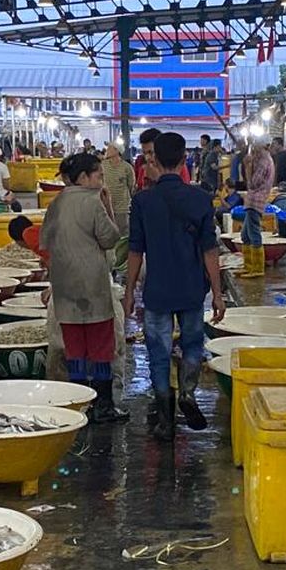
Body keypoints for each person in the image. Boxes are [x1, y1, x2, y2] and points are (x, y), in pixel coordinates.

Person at [126, 132, 225, 441]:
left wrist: (129, 292)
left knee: (158, 352)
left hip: (157, 292)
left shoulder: (142, 201)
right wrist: (218, 295)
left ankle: (165, 417)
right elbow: (210, 250)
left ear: (153, 159)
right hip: (191, 290)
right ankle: (188, 393)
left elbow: (135, 251)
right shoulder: (200, 199)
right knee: (193, 345)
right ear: (185, 160)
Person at [41, 153, 128, 423]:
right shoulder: (93, 203)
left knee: (75, 347)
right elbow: (110, 238)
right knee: (101, 347)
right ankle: (103, 405)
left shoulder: (55, 204)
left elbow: (47, 245)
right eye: (98, 176)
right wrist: (109, 207)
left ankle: (79, 405)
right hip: (93, 288)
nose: (101, 181)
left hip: (65, 288)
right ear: (83, 178)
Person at [239, 141, 275, 278]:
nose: (252, 147)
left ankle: (257, 269)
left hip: (256, 201)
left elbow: (253, 183)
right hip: (253, 200)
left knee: (253, 234)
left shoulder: (264, 161)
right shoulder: (261, 159)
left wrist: (248, 167)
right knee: (245, 236)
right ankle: (248, 266)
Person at [101, 142, 135, 238]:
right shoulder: (102, 166)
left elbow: (131, 186)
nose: (107, 150)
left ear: (117, 151)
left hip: (122, 208)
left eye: (109, 148)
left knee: (122, 235)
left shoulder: (127, 168)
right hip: (105, 206)